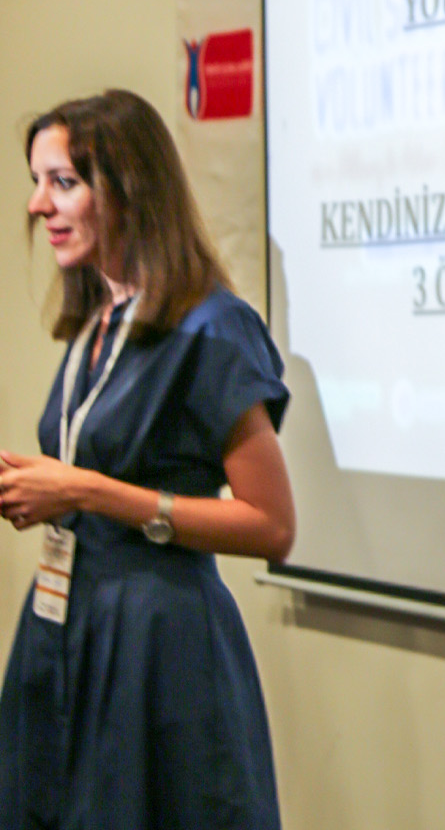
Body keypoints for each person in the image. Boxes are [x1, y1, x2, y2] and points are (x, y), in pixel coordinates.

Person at [0, 91, 295, 829]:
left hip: (159, 645)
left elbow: (271, 526)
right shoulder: (100, 318)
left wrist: (90, 492)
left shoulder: (213, 327)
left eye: (63, 182)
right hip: (66, 624)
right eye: (37, 182)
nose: (39, 205)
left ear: (127, 189)